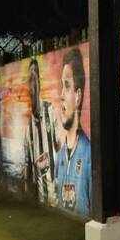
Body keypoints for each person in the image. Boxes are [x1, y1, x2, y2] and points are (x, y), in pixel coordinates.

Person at [52, 47, 92, 216]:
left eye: (66, 86)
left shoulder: (90, 155)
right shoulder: (60, 155)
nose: (61, 95)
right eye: (62, 86)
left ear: (78, 96)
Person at [22, 57, 58, 205]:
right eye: (31, 77)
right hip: (38, 190)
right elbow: (26, 159)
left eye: (35, 75)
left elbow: (58, 142)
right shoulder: (28, 123)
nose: (33, 81)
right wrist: (26, 182)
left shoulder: (49, 110)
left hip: (53, 188)